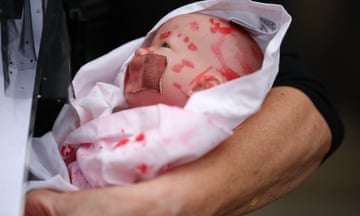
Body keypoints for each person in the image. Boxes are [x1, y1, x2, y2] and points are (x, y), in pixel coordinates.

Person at [25, 0, 344, 215]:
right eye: (147, 45)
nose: (139, 55)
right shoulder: (111, 106)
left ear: (206, 86)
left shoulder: (183, 134)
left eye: (164, 46)